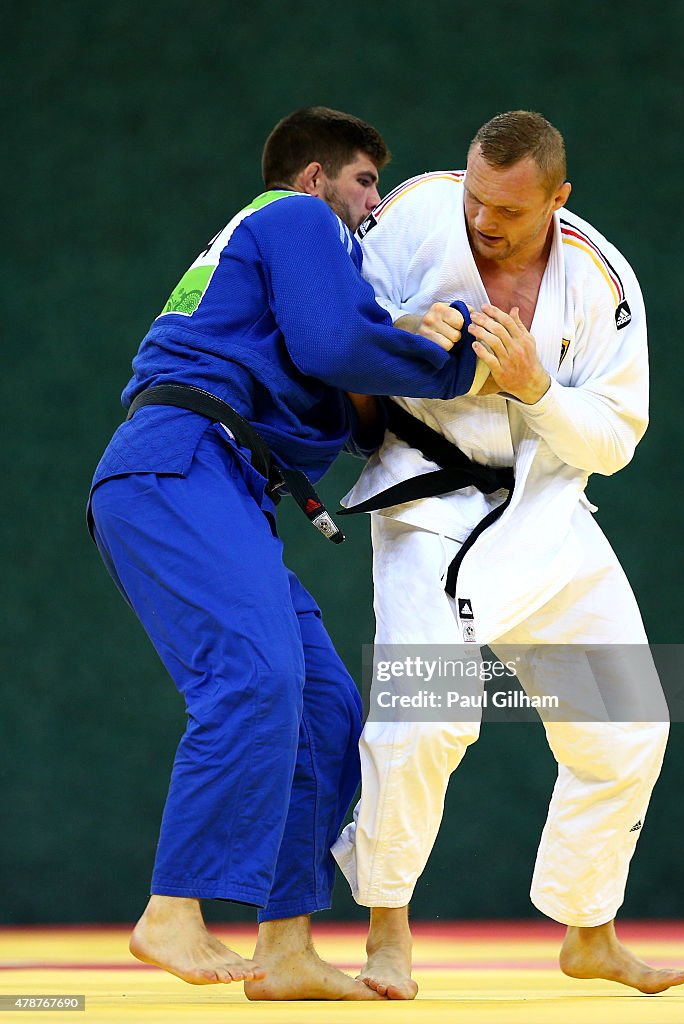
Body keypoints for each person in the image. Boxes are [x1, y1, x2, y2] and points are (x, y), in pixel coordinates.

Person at [87, 106, 481, 1001]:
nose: (373, 203)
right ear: (314, 178)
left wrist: (407, 331)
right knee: (256, 681)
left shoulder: (284, 260)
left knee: (328, 707)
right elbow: (334, 347)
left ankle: (288, 946)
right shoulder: (295, 218)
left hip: (220, 484)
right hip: (178, 463)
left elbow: (342, 390)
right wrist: (460, 365)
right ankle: (172, 908)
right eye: (365, 181)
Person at [332, 110, 684, 998]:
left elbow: (612, 439)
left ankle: (590, 931)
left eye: (510, 211)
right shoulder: (417, 214)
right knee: (427, 720)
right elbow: (329, 318)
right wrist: (401, 331)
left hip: (546, 507)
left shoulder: (602, 282)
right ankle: (386, 933)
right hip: (430, 504)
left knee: (630, 723)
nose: (484, 222)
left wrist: (536, 386)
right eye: (477, 199)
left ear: (559, 200)